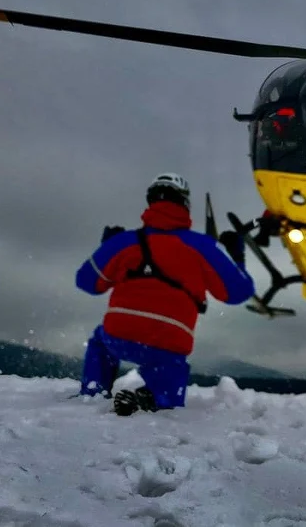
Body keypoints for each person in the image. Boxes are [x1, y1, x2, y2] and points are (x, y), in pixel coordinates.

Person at [74, 173, 255, 415]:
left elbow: (87, 282)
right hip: (169, 342)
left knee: (100, 342)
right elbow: (238, 292)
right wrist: (237, 257)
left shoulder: (125, 242)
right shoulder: (202, 247)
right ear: (185, 204)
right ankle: (154, 397)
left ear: (150, 202)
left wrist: (105, 247)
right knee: (168, 383)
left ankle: (94, 393)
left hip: (118, 335)